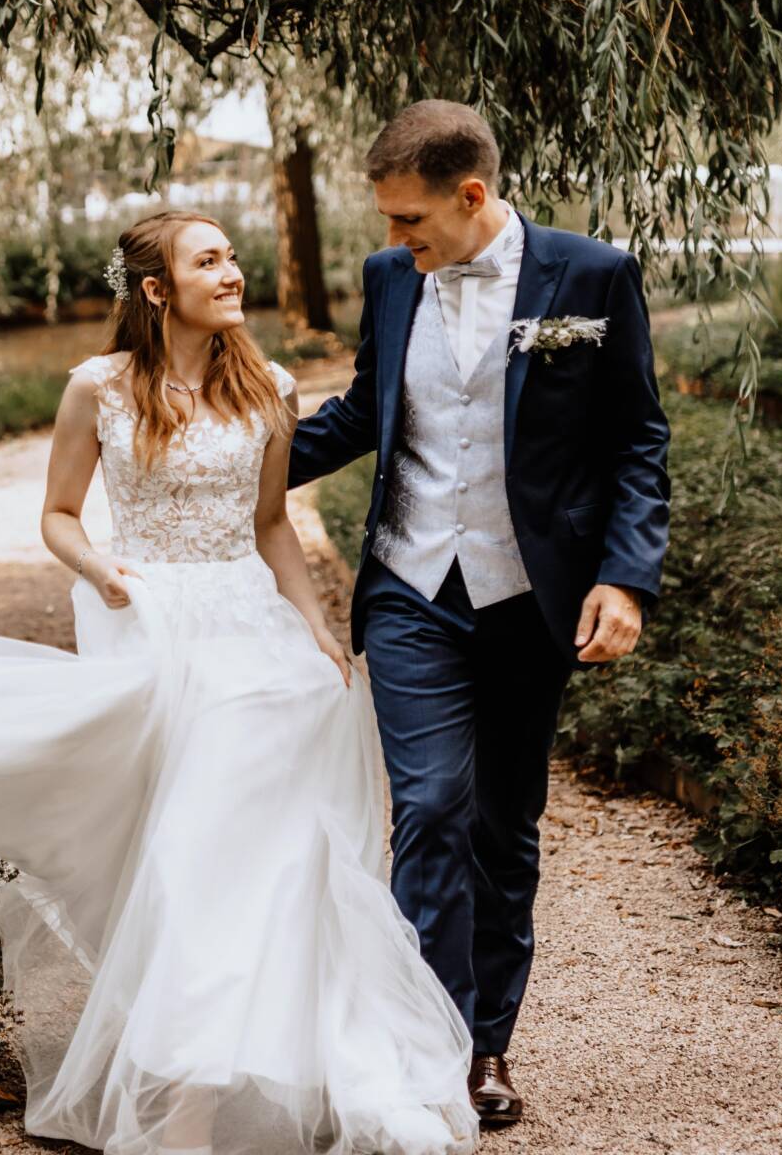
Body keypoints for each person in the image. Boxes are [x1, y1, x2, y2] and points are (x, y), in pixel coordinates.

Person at [0, 209, 481, 1155]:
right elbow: (57, 514)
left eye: (231, 257)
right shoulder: (98, 387)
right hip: (154, 625)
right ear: (157, 289)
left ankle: (280, 1071)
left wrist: (314, 625)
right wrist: (98, 568)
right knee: (183, 856)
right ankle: (187, 1100)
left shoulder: (272, 388)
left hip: (255, 635)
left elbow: (270, 526)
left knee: (274, 857)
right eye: (208, 261)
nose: (232, 272)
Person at [287, 100, 672, 1128]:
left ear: (471, 194)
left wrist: (626, 577)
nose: (393, 237)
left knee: (503, 826)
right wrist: (221, 463)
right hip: (411, 589)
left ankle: (488, 1046)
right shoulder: (390, 279)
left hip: (528, 597)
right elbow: (363, 413)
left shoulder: (592, 276)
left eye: (409, 219)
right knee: (429, 810)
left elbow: (637, 439)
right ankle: (430, 1047)